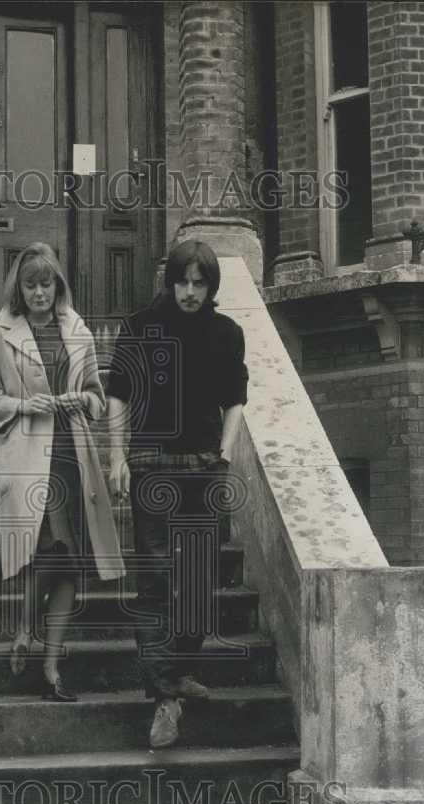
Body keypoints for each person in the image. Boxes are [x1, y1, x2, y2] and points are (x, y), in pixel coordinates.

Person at [106, 239, 248, 748]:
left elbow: (235, 400)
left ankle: (180, 668)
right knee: (156, 576)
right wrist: (115, 455)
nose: (189, 292)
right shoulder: (140, 328)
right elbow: (118, 392)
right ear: (170, 281)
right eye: (182, 282)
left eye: (199, 282)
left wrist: (225, 456)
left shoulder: (227, 333)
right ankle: (166, 696)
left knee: (200, 575)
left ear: (211, 285)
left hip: (203, 465)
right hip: (151, 464)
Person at [0, 243, 125, 701]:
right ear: (18, 289)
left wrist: (87, 401)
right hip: (27, 456)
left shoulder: (77, 330)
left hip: (71, 455)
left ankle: (52, 664)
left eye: (47, 283)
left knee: (69, 562)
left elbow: (98, 393)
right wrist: (24, 404)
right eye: (30, 284)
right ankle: (24, 629)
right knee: (48, 550)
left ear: (58, 285)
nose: (39, 293)